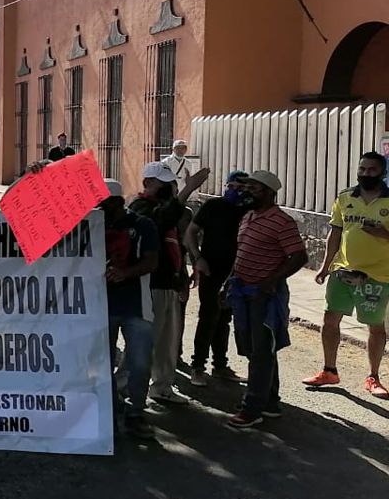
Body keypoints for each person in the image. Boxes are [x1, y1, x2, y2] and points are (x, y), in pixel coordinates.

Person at [226, 171, 307, 428]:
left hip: (265, 296)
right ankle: (269, 400)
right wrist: (228, 283)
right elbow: (242, 253)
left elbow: (298, 256)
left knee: (261, 351)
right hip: (242, 291)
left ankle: (252, 409)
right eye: (247, 186)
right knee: (255, 348)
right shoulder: (248, 217)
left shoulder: (282, 222)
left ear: (270, 192)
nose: (247, 191)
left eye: (254, 187)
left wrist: (271, 280)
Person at [305, 151, 389, 398]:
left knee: (375, 326)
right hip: (343, 270)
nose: (365, 174)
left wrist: (382, 233)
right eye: (362, 169)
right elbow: (335, 234)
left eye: (371, 170)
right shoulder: (344, 197)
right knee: (330, 320)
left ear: (383, 172)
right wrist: (324, 266)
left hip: (379, 275)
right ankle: (329, 370)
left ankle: (373, 376)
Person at [128, 160, 209, 405]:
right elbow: (159, 222)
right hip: (151, 285)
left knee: (168, 341)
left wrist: (182, 276)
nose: (169, 188)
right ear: (147, 183)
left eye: (171, 184)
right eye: (163, 184)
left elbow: (177, 246)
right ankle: (126, 389)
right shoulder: (140, 207)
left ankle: (162, 386)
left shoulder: (169, 208)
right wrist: (187, 191)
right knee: (146, 342)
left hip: (169, 283)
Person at [100, 178, 160, 439]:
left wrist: (125, 273)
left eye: (104, 204)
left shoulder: (142, 225)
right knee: (102, 364)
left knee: (139, 363)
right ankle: (111, 410)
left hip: (137, 306)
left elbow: (152, 262)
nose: (99, 208)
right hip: (101, 308)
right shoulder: (90, 224)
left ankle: (136, 412)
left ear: (118, 202)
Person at [183, 171, 252, 386]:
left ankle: (220, 365)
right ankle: (198, 367)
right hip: (211, 270)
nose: (233, 191)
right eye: (230, 186)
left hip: (236, 271)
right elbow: (190, 233)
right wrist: (198, 258)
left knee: (224, 318)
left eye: (239, 188)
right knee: (208, 316)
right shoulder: (213, 207)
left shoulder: (247, 210)